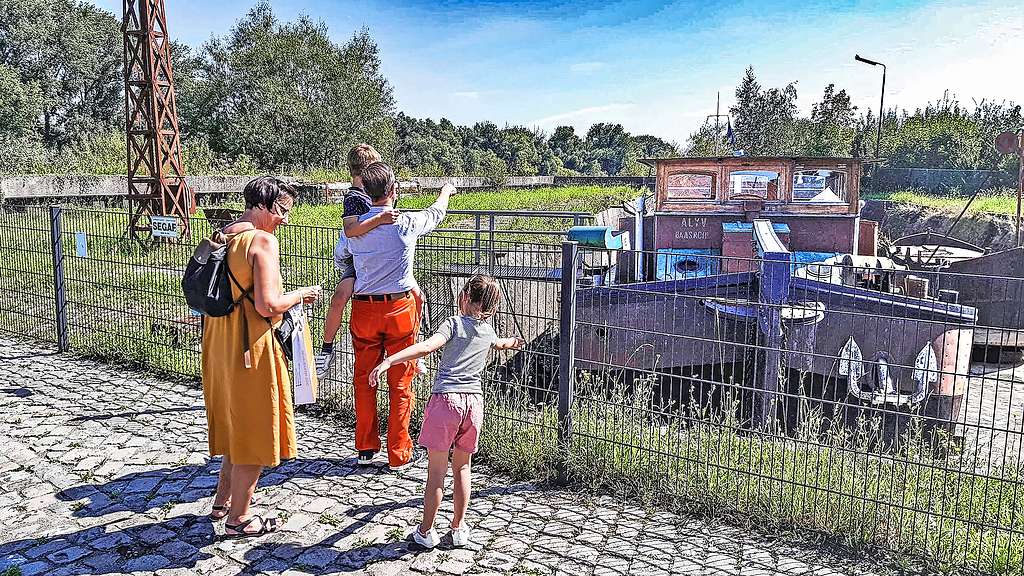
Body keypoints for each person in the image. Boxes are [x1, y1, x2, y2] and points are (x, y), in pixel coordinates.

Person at [201, 176, 321, 537]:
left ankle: (222, 503)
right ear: (265, 206)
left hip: (219, 339)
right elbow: (268, 305)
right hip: (249, 345)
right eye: (282, 210)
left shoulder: (225, 234)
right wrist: (301, 294)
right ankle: (240, 518)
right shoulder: (262, 241)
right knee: (254, 429)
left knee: (236, 424)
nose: (285, 218)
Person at [369, 275, 523, 548]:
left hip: (446, 402)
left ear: (464, 297)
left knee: (437, 472)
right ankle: (459, 527)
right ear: (492, 306)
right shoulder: (487, 331)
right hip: (474, 404)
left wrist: (390, 360)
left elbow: (428, 346)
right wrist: (513, 342)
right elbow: (499, 344)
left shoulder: (452, 324)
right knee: (463, 468)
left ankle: (426, 531)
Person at [337, 162, 456, 469]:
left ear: (366, 190)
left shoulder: (354, 228)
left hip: (364, 307)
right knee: (400, 382)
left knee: (364, 379)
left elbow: (344, 250)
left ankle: (365, 447)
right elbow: (436, 213)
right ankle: (398, 453)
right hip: (399, 309)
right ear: (394, 191)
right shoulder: (406, 223)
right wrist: (445, 192)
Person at [317, 143, 402, 378]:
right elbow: (352, 229)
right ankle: (326, 349)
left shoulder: (371, 193)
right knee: (340, 297)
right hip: (357, 259)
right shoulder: (354, 198)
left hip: (376, 256)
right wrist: (380, 219)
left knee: (414, 293)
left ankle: (414, 350)